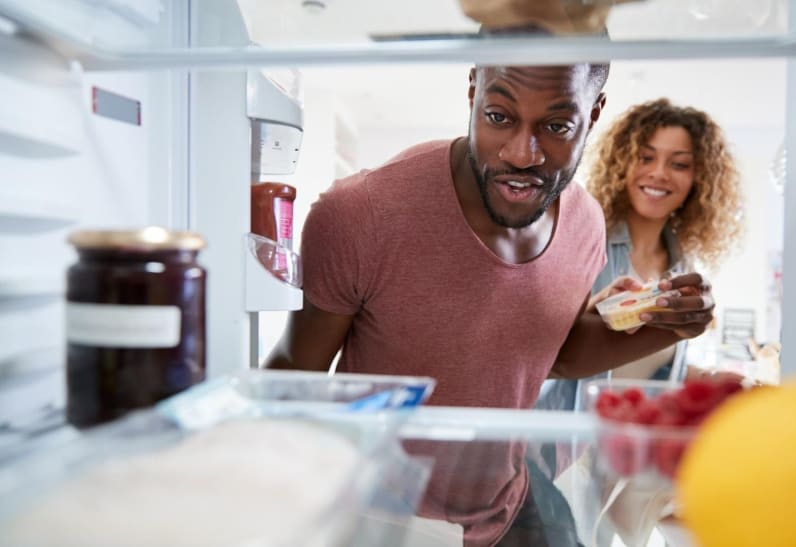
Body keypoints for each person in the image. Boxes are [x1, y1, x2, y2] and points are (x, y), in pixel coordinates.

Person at [265, 38, 716, 546]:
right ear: (473, 91)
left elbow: (554, 356)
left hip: (506, 509)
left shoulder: (585, 223)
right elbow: (292, 381)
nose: (522, 154)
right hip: (381, 521)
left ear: (595, 112)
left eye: (557, 126)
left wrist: (664, 325)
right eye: (499, 116)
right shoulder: (361, 213)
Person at [536, 98, 742, 407]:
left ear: (699, 180)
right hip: (558, 444)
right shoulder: (581, 240)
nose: (659, 173)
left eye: (680, 164)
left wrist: (711, 379)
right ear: (621, 163)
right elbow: (536, 356)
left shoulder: (683, 265)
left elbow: (648, 368)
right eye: (646, 158)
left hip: (627, 443)